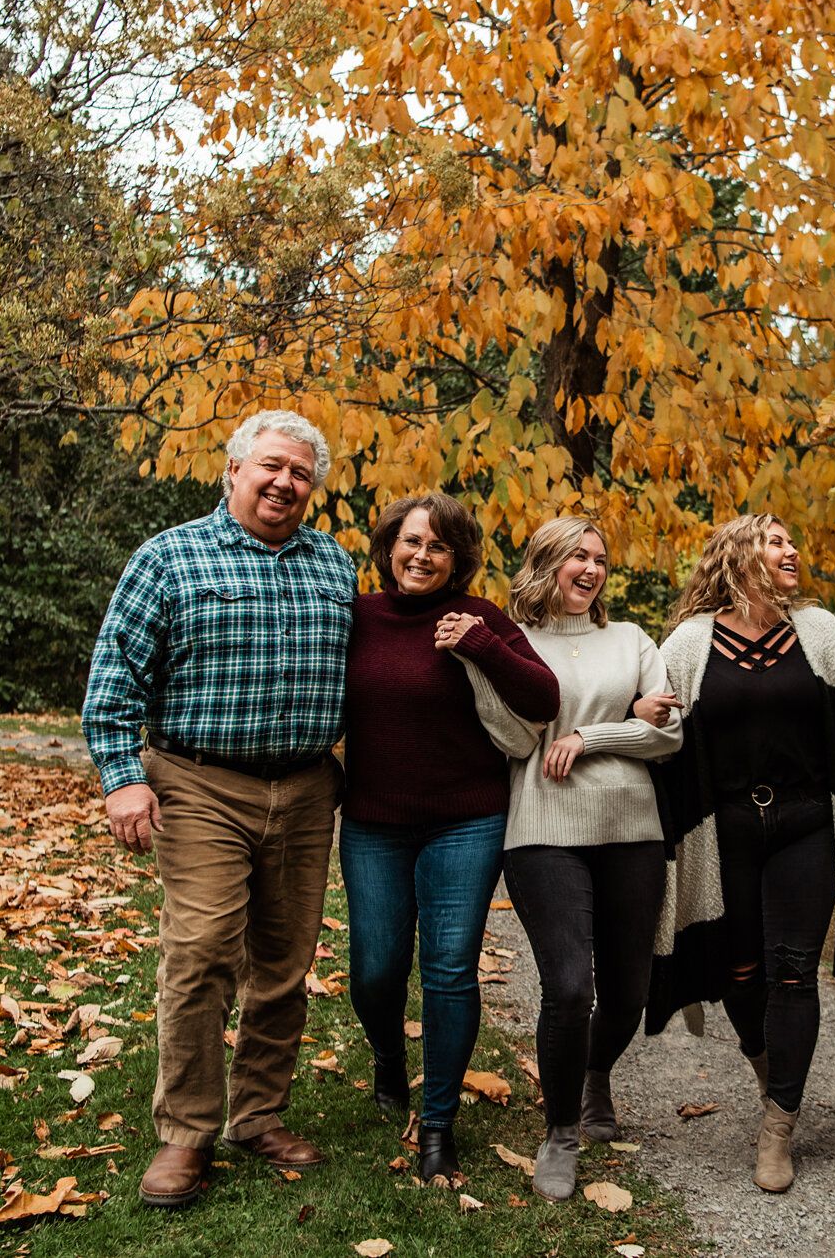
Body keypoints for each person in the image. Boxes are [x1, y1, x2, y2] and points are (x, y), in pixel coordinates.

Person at [83, 409, 357, 1209]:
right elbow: (115, 675)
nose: (285, 482)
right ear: (234, 469)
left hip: (307, 786)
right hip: (199, 782)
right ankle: (186, 1130)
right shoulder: (168, 557)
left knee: (284, 962)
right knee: (201, 946)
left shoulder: (334, 566)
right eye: (271, 465)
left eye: (301, 473)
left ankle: (258, 1113)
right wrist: (121, 776)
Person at [647, 514, 835, 1194]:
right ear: (737, 555)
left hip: (807, 823)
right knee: (741, 971)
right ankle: (769, 1066)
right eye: (776, 540)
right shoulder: (691, 643)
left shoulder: (821, 632)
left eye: (792, 541)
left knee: (792, 971)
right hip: (725, 829)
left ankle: (779, 1123)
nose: (792, 550)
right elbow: (662, 739)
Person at [339, 492, 560, 1181]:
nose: (421, 555)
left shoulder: (479, 618)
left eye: (437, 546)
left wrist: (480, 643)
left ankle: (438, 1123)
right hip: (374, 821)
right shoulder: (357, 617)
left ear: (457, 558)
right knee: (377, 966)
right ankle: (387, 1055)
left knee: (449, 967)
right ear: (388, 548)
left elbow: (543, 697)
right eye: (410, 541)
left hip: (465, 820)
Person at [499, 516, 683, 1201]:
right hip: (543, 826)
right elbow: (514, 737)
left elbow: (670, 735)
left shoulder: (632, 639)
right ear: (545, 561)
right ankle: (560, 1132)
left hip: (633, 828)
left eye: (600, 558)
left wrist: (592, 733)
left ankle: (595, 1073)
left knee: (627, 992)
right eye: (577, 555)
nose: (591, 568)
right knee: (572, 985)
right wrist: (632, 720)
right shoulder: (513, 644)